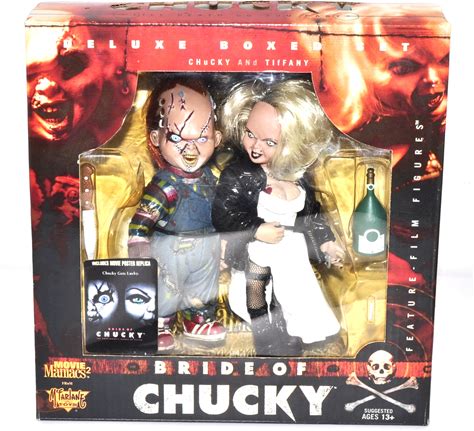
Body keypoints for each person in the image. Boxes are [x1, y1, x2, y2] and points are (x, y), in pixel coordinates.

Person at [212, 79, 344, 355]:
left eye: (269, 142)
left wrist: (327, 242)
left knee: (298, 298)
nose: (255, 146)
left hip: (291, 253)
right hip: (256, 250)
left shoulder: (298, 177)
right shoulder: (239, 174)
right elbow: (224, 212)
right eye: (250, 134)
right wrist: (256, 229)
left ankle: (291, 335)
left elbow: (312, 214)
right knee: (256, 298)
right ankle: (268, 340)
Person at [128, 77, 226, 352]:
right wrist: (138, 243)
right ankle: (160, 321)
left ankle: (199, 320)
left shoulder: (212, 180)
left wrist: (225, 243)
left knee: (204, 288)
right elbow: (143, 218)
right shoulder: (165, 185)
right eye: (176, 138)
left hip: (207, 246)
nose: (190, 149)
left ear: (217, 139)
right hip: (171, 248)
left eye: (202, 138)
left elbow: (222, 214)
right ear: (156, 138)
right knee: (168, 287)